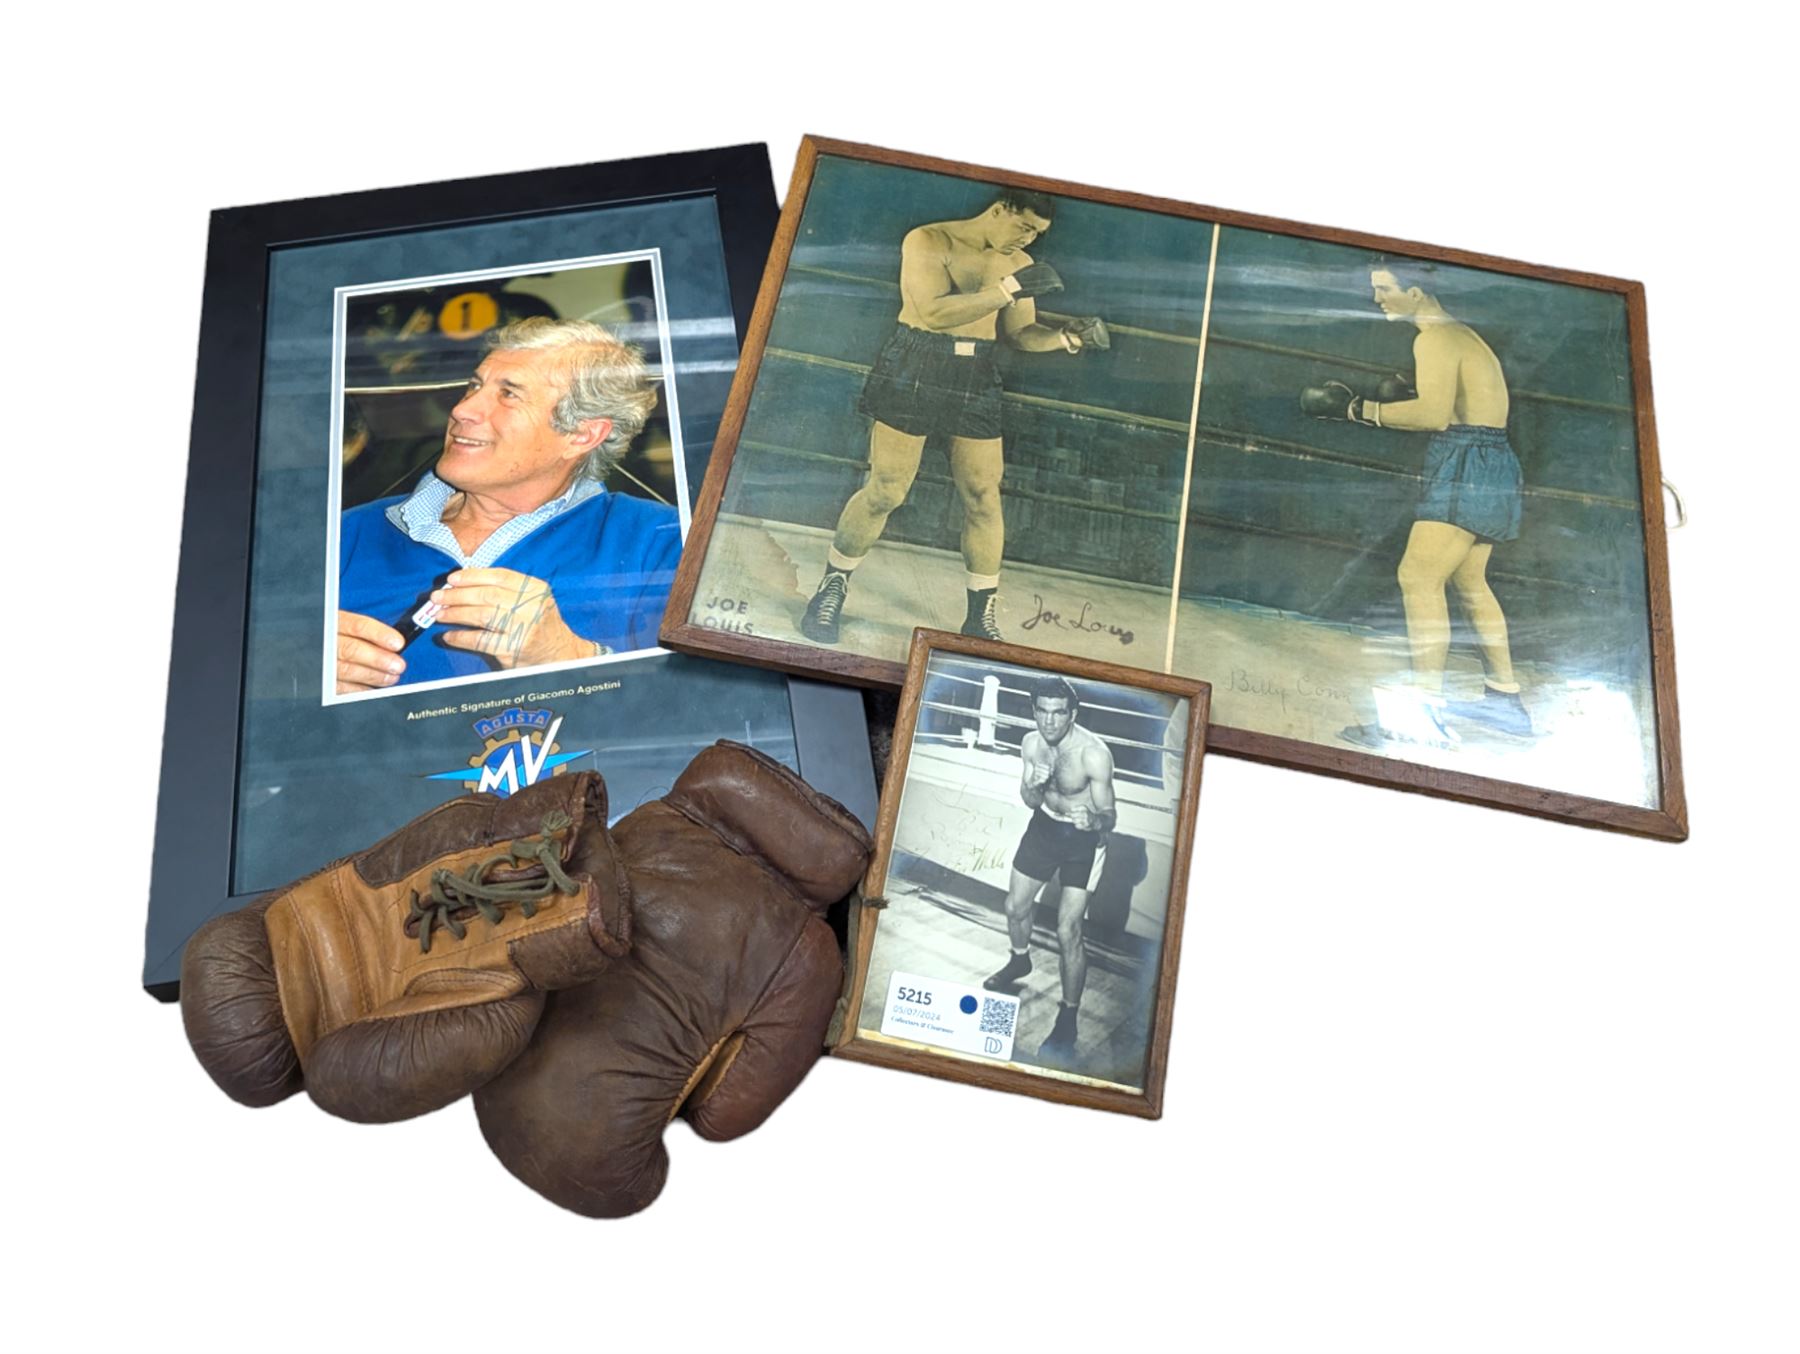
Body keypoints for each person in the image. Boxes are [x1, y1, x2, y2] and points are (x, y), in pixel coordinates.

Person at [799, 189, 1109, 646]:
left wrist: (1067, 338)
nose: (1028, 240)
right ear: (1000, 209)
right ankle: (830, 589)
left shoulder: (1018, 263)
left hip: (976, 371)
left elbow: (1020, 333)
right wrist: (1005, 290)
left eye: (1037, 234)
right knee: (886, 490)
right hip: (915, 361)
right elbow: (933, 312)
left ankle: (980, 618)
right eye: (1024, 227)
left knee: (983, 495)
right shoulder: (928, 240)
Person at [334, 317, 675, 693]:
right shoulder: (343, 536)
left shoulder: (661, 542)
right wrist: (302, 678)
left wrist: (573, 658)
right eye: (474, 386)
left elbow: (700, 705)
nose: (462, 410)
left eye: (508, 394)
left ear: (581, 434)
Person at [1300, 259, 1532, 741]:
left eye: (1385, 288)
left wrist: (1356, 409)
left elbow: (1432, 416)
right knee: (1470, 582)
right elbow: (1455, 407)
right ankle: (1505, 701)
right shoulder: (1462, 334)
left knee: (1418, 577)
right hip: (1489, 458)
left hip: (1468, 461)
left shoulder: (1434, 339)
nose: (1377, 299)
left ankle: (1421, 721)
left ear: (1417, 292)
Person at [984, 678, 1117, 1065]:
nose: (1050, 720)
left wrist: (1094, 820)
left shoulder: (1094, 754)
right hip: (1044, 828)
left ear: (1072, 714)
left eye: (1059, 712)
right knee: (1015, 907)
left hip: (1083, 841)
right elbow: (1028, 799)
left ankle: (1068, 1018)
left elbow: (1110, 815)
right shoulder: (1031, 743)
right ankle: (1019, 959)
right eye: (1042, 711)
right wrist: (1034, 785)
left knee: (1067, 931)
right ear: (1034, 711)